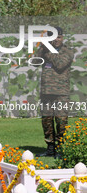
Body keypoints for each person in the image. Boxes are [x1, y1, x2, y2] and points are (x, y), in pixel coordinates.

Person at [34, 27, 74, 157]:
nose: (56, 40)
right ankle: (50, 149)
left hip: (61, 92)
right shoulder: (44, 50)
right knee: (46, 120)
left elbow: (60, 64)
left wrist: (48, 51)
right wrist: (41, 48)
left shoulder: (67, 51)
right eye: (53, 37)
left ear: (62, 37)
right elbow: (34, 62)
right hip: (46, 91)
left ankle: (60, 149)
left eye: (59, 37)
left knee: (61, 121)